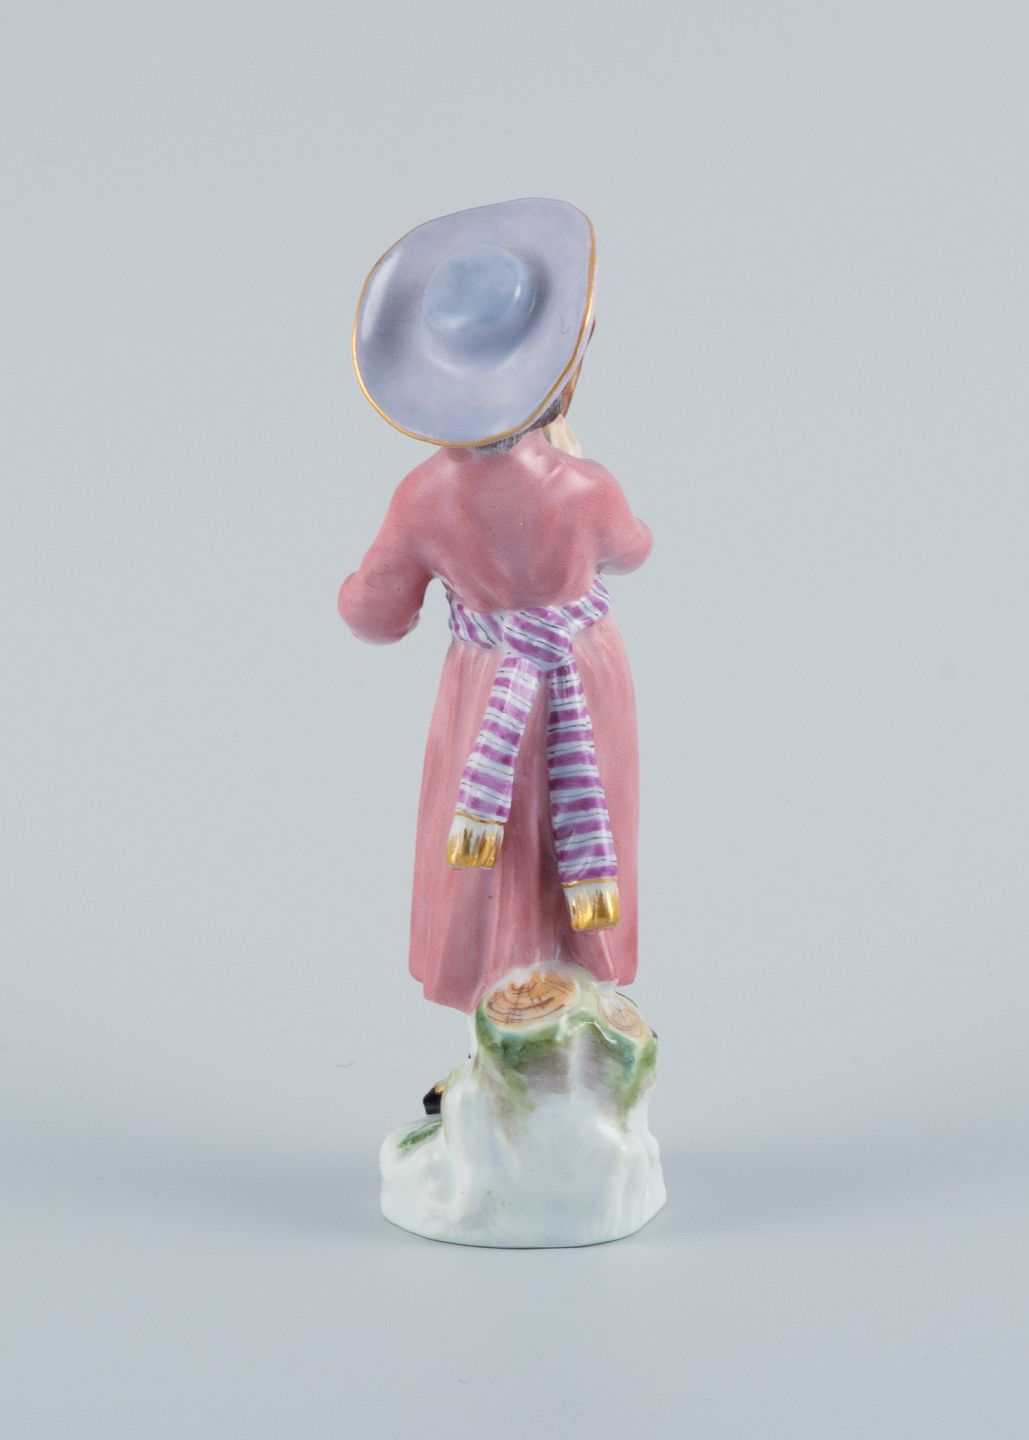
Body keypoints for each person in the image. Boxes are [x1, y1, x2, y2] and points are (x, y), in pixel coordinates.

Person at [338, 198, 651, 1022]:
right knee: (580, 805)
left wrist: (353, 590)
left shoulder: (421, 498)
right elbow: (633, 550)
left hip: (487, 675)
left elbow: (375, 614)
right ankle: (574, 966)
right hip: (580, 663)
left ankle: (501, 973)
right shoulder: (586, 487)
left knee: (494, 824)